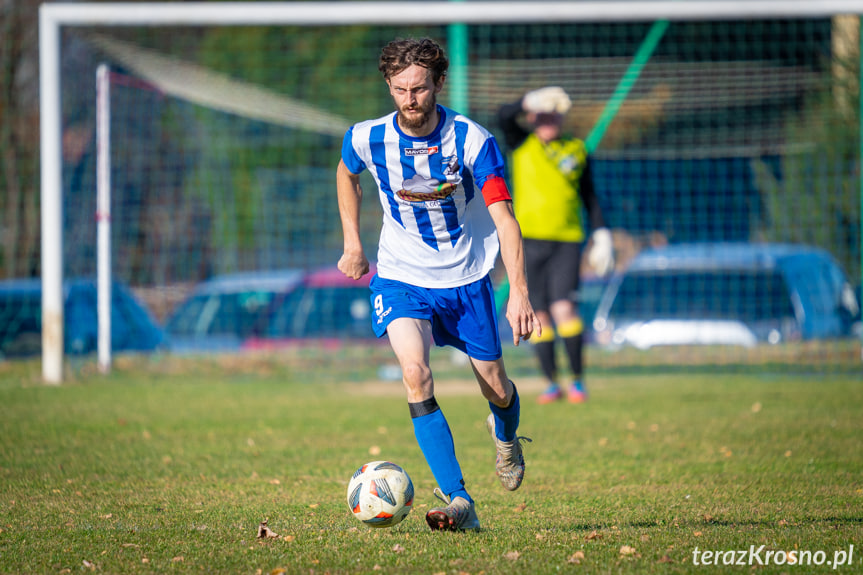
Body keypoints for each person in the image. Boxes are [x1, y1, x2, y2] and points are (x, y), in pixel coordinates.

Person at [336, 37, 539, 532]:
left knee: (495, 386)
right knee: (415, 372)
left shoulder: (472, 140)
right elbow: (346, 173)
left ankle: (507, 438)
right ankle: (458, 498)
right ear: (389, 86)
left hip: (467, 278)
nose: (410, 99)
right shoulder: (367, 137)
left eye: (420, 88)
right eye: (401, 89)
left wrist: (519, 292)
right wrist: (353, 243)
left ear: (438, 84)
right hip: (401, 273)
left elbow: (504, 218)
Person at [497, 86, 615, 405]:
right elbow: (503, 116)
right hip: (529, 241)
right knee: (540, 315)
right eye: (542, 116)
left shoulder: (576, 149)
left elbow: (589, 196)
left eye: (553, 116)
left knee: (565, 309)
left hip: (566, 240)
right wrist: (526, 100)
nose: (548, 122)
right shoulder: (522, 143)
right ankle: (552, 383)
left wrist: (602, 233)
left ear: (562, 118)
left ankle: (577, 381)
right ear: (533, 118)